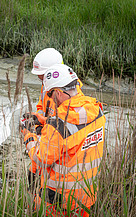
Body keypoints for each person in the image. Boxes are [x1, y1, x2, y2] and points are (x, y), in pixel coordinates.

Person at [22, 64, 106, 216]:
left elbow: (42, 159)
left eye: (50, 93)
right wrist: (46, 121)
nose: (50, 97)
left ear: (59, 93)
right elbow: (74, 134)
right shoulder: (97, 110)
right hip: (87, 192)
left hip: (60, 197)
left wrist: (29, 137)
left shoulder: (57, 125)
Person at [26, 48, 85, 191]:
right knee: (33, 174)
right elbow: (43, 106)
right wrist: (39, 119)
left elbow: (65, 125)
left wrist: (29, 137)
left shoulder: (72, 96)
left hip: (54, 148)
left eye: (41, 75)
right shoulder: (48, 85)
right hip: (45, 136)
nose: (40, 79)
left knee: (43, 177)